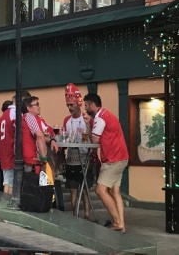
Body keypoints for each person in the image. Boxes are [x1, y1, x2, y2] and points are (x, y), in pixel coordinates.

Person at [83, 93, 129, 233]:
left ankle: (117, 222)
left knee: (100, 190)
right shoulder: (106, 114)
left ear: (92, 105)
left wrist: (88, 125)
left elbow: (95, 140)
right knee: (115, 191)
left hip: (113, 159)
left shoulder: (100, 118)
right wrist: (88, 123)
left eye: (86, 105)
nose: (85, 108)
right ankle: (122, 225)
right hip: (122, 157)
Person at [63, 83, 94, 219]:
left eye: (72, 105)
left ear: (78, 104)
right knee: (73, 188)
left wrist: (88, 125)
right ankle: (75, 213)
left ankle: (87, 213)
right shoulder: (67, 120)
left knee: (85, 188)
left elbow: (93, 137)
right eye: (68, 105)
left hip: (86, 156)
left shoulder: (87, 119)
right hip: (72, 157)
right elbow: (64, 137)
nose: (70, 108)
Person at [0, 90, 31, 195]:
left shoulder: (5, 114)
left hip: (4, 150)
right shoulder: (17, 114)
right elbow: (19, 134)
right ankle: (10, 204)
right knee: (12, 184)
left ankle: (5, 203)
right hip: (13, 151)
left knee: (6, 182)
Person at [22, 96, 58, 171]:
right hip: (31, 160)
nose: (39, 107)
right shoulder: (30, 117)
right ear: (29, 108)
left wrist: (51, 140)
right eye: (37, 104)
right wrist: (43, 158)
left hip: (28, 159)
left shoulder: (26, 118)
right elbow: (39, 135)